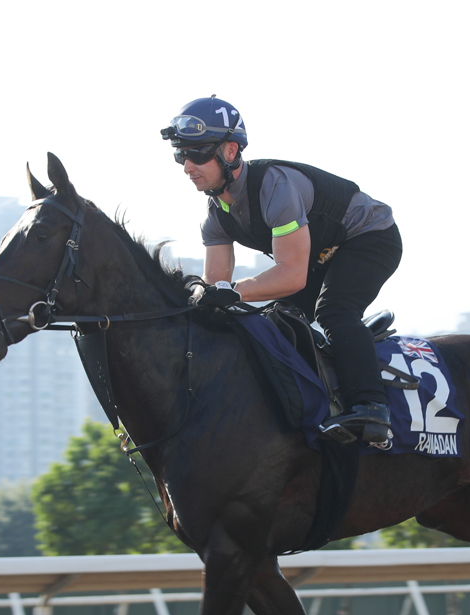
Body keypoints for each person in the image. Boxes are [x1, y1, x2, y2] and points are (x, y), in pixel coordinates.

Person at [161, 96, 402, 444]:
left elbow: (291, 276)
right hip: (322, 253)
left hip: (369, 236)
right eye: (181, 155)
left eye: (197, 153)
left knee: (333, 310)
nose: (187, 166)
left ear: (230, 151)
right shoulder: (214, 218)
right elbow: (217, 290)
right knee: (281, 320)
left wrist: (234, 291)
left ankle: (372, 407)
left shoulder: (276, 187)